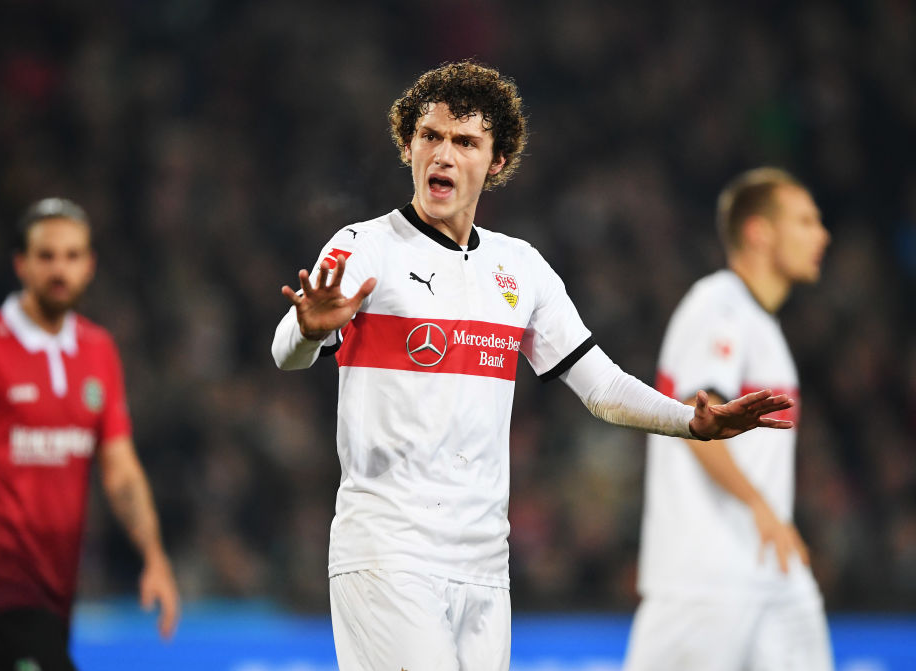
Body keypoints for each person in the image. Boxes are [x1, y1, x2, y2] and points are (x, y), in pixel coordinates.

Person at [271, 61, 795, 671]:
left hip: (484, 564)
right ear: (409, 144)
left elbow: (598, 385)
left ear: (495, 162)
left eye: (464, 141)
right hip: (389, 551)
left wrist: (690, 423)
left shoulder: (520, 267)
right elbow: (287, 350)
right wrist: (309, 327)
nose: (442, 154)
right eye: (430, 135)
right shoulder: (366, 247)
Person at [0, 198, 180, 671]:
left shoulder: (99, 351)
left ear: (89, 266)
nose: (59, 269)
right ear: (21, 264)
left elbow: (121, 469)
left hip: (59, 581)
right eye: (46, 256)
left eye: (72, 256)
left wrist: (154, 555)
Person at [624, 167, 834, 670]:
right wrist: (761, 506)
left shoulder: (758, 321)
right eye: (805, 221)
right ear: (759, 231)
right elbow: (702, 424)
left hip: (767, 571)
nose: (821, 234)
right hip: (705, 581)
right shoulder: (717, 307)